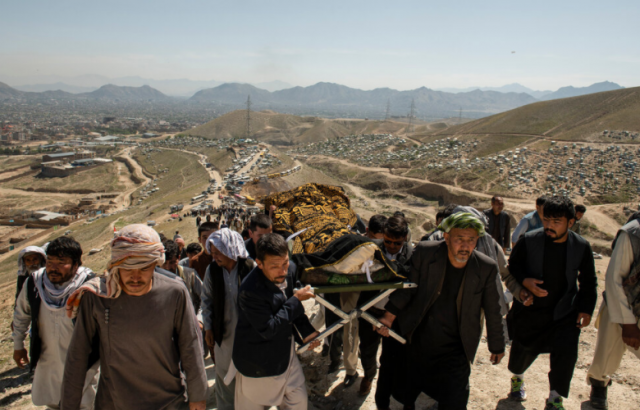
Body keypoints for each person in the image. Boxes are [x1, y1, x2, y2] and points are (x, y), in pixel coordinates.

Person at [61, 224, 207, 410]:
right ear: (116, 265)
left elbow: (190, 346)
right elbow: (77, 355)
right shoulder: (97, 296)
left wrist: (198, 396)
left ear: (155, 264)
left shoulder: (175, 292)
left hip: (169, 401)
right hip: (114, 403)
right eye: (128, 268)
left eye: (144, 268)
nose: (135, 277)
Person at [377, 212, 506, 410]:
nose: (465, 246)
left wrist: (497, 345)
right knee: (405, 396)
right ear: (446, 237)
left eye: (471, 240)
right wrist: (388, 316)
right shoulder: (426, 253)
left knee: (454, 401)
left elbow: (493, 308)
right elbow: (408, 288)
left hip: (456, 349)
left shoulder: (485, 267)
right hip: (418, 340)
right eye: (459, 239)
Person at [506, 196, 597, 410]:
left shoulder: (581, 246)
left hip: (564, 311)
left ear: (570, 222)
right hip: (532, 310)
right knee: (522, 350)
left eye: (556, 221)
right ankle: (517, 378)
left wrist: (585, 309)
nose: (549, 226)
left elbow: (588, 281)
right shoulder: (529, 241)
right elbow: (513, 267)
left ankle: (555, 398)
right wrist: (525, 282)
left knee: (565, 355)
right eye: (546, 219)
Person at [232, 233, 319, 409]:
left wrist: (307, 332)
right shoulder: (250, 290)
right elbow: (269, 328)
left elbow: (289, 305)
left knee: (299, 402)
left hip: (286, 356)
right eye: (275, 266)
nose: (283, 271)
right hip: (256, 362)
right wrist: (296, 300)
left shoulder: (290, 269)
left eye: (285, 263)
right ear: (259, 263)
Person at [13, 237, 99, 410]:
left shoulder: (89, 286)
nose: (53, 268)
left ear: (76, 265)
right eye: (50, 261)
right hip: (48, 359)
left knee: (84, 403)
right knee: (52, 400)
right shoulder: (35, 283)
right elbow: (21, 315)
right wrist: (18, 345)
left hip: (83, 361)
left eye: (61, 263)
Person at [586, 213, 640, 409]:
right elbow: (614, 279)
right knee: (607, 352)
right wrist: (629, 323)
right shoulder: (632, 234)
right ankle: (599, 384)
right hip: (622, 303)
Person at [360, 216, 415, 402]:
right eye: (388, 241)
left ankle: (385, 393)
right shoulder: (370, 249)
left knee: (391, 356)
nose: (391, 246)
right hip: (370, 311)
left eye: (397, 243)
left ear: (405, 238)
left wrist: (391, 315)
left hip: (396, 316)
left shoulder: (413, 255)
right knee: (367, 351)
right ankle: (369, 376)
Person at [201, 228, 256, 410]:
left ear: (230, 249)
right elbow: (206, 300)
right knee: (225, 379)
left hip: (248, 335)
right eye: (212, 252)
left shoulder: (250, 267)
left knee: (250, 378)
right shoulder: (212, 271)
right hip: (223, 336)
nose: (214, 256)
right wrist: (208, 328)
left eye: (218, 252)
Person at [163, 240, 203, 315]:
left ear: (178, 258)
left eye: (172, 262)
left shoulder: (190, 275)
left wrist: (199, 319)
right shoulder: (156, 278)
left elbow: (205, 298)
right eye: (164, 263)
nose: (168, 267)